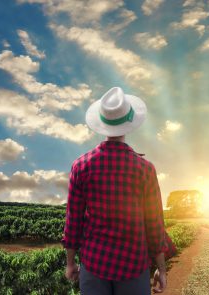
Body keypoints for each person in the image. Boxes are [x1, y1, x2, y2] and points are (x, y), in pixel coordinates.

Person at [61, 87, 175, 294]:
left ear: (101, 124)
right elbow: (155, 223)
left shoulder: (81, 166)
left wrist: (70, 263)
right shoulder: (145, 169)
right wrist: (161, 268)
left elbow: (73, 219)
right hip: (134, 266)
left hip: (94, 264)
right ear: (129, 124)